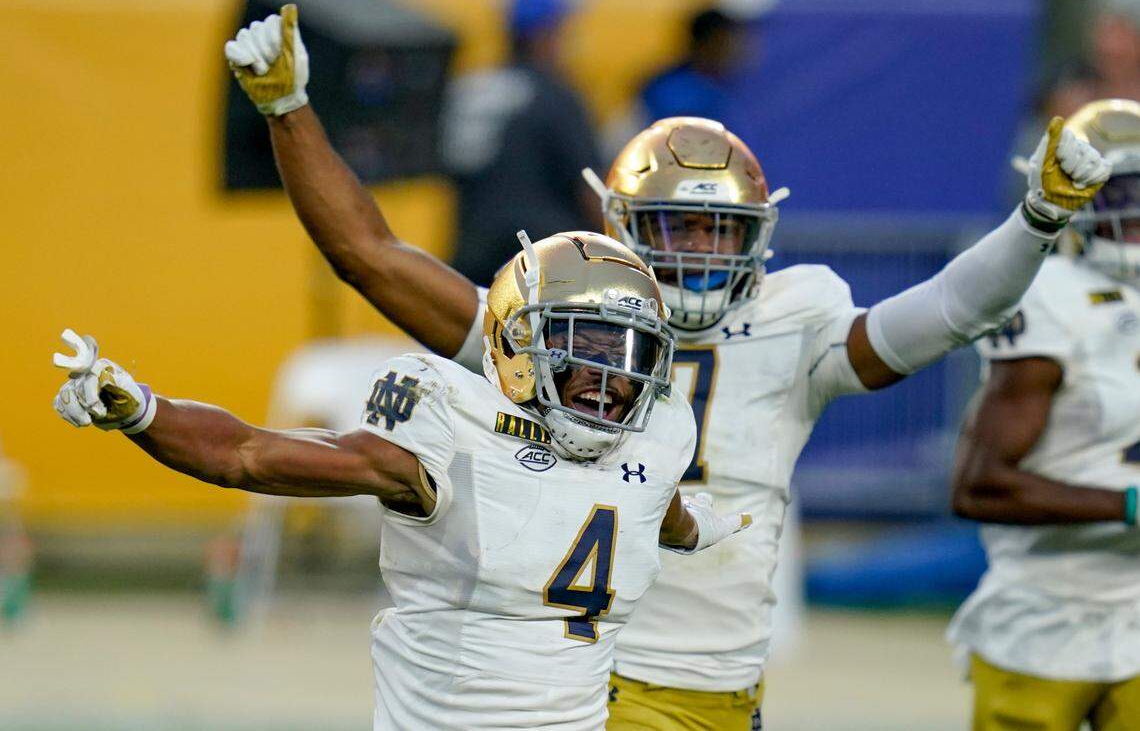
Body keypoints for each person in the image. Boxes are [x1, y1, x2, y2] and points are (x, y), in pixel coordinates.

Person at [223, 5, 1111, 729]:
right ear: (617, 225)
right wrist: (288, 108)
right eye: (673, 225)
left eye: (716, 230)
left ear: (756, 237)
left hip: (716, 675)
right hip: (589, 675)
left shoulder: (793, 319)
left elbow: (948, 311)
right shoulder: (555, 320)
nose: (693, 251)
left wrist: (1035, 219)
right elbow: (371, 256)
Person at [51, 231, 751, 730]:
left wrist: (694, 527)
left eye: (630, 352)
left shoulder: (659, 435)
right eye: (583, 345)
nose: (610, 374)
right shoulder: (454, 430)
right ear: (518, 344)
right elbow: (248, 454)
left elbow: (654, 504)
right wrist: (146, 412)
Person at [948, 98, 1140, 731]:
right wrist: (1129, 505)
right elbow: (980, 486)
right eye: (1121, 193)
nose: (1136, 212)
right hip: (1045, 613)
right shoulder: (1049, 292)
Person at [439, 0, 603, 285]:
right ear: (543, 34)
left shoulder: (470, 87)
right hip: (541, 260)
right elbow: (588, 186)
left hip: (472, 254)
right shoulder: (554, 94)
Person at [637, 7, 747, 124]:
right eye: (725, 42)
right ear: (705, 43)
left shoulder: (738, 83)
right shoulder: (668, 88)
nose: (735, 49)